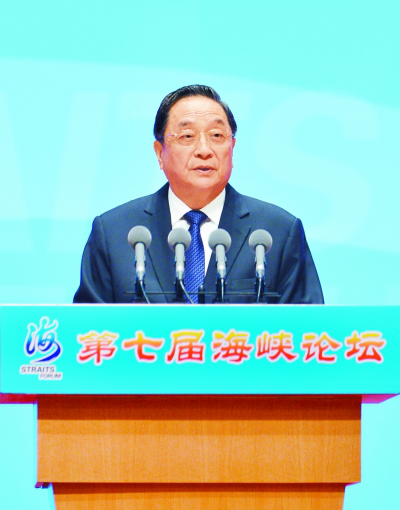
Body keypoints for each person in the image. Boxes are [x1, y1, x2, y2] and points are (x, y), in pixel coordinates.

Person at [73, 85, 323, 304]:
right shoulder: (114, 233)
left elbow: (309, 331)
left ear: (232, 148)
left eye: (217, 136)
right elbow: (86, 333)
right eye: (187, 136)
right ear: (160, 153)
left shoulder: (278, 231)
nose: (204, 150)